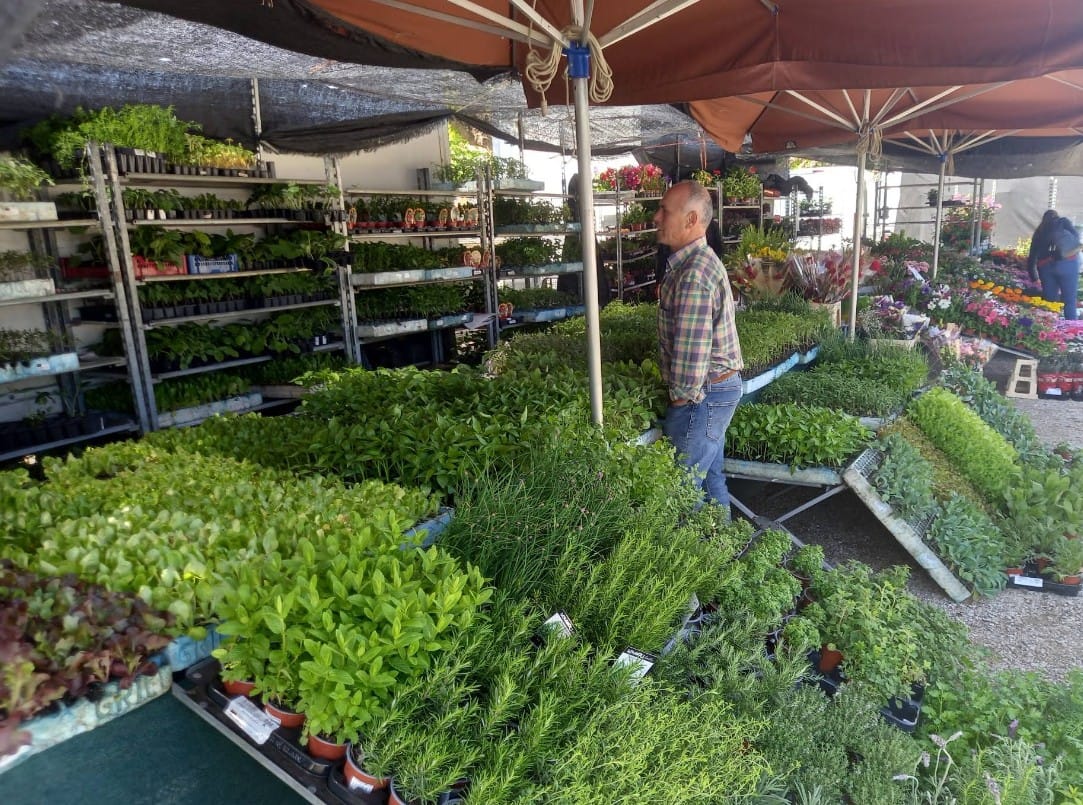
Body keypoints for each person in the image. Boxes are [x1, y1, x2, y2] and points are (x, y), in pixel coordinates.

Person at [655, 180, 744, 512]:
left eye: (665, 210)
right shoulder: (698, 262)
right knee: (709, 479)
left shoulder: (693, 273)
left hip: (702, 396)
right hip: (717, 390)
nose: (656, 217)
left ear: (691, 219)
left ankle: (694, 560)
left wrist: (680, 404)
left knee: (681, 489)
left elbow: (691, 361)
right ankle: (723, 554)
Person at [1027, 209, 1081, 319]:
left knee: (1050, 301)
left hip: (1046, 267)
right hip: (1068, 264)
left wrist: (1034, 278)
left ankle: (1051, 329)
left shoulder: (1039, 231)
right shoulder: (1064, 222)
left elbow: (1032, 257)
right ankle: (1071, 330)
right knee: (1069, 300)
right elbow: (1076, 239)